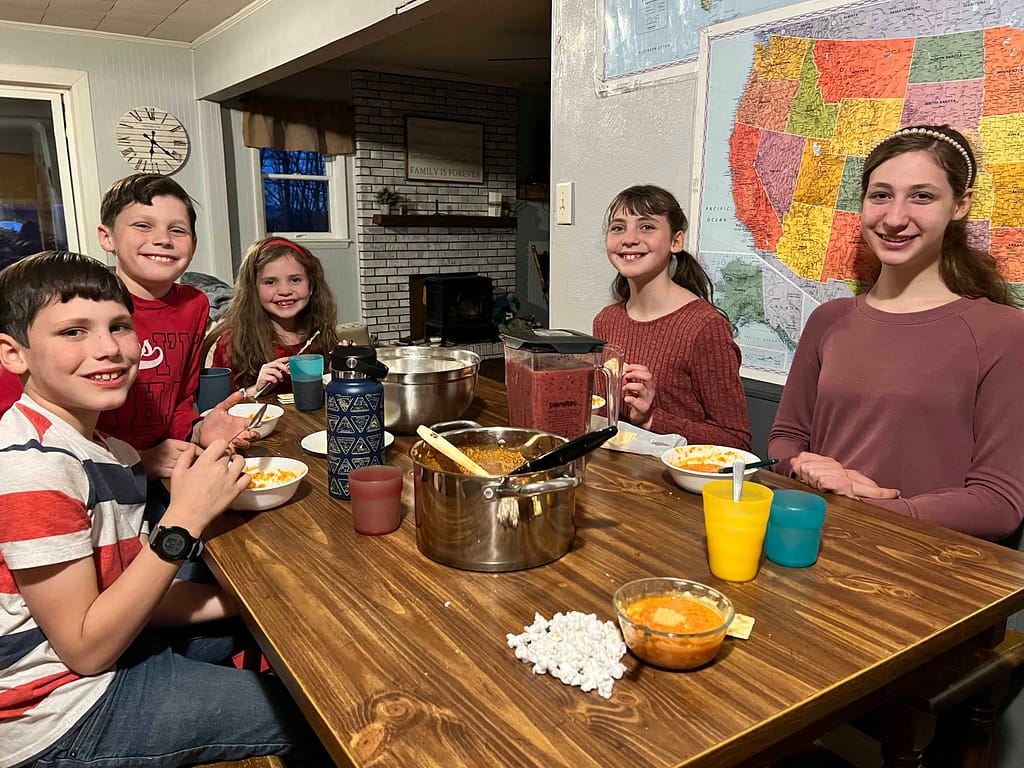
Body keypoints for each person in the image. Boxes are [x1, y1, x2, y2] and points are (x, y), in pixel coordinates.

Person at [0, 251, 330, 767]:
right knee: (324, 711)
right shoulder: (32, 470)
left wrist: (259, 600)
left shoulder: (109, 448)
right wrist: (184, 518)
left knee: (287, 627)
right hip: (59, 712)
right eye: (73, 332)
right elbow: (86, 650)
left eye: (119, 326)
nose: (108, 349)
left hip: (115, 644)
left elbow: (133, 591)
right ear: (13, 354)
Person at [768, 124, 1024, 541]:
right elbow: (786, 437)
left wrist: (871, 507)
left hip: (922, 576)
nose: (894, 218)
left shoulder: (1004, 334)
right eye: (881, 195)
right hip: (813, 547)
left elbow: (999, 503)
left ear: (960, 205)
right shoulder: (828, 320)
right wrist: (804, 468)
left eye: (922, 196)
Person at [0, 174, 253, 479]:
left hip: (162, 465)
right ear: (107, 237)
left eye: (177, 229)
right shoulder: (77, 307)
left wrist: (196, 429)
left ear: (194, 243)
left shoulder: (195, 304)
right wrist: (135, 461)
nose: (163, 239)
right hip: (86, 471)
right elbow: (20, 415)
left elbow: (181, 396)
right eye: (143, 225)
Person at [592, 184, 751, 449]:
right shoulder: (606, 321)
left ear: (676, 241)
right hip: (615, 476)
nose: (628, 238)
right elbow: (608, 419)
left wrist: (651, 418)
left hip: (676, 484)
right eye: (618, 227)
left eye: (646, 227)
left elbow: (736, 441)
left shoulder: (705, 327)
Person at [206, 237, 340, 397]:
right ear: (253, 289)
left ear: (311, 286)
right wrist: (256, 389)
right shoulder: (232, 343)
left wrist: (339, 372)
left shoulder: (320, 334)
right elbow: (215, 408)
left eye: (295, 280)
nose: (284, 290)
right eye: (270, 282)